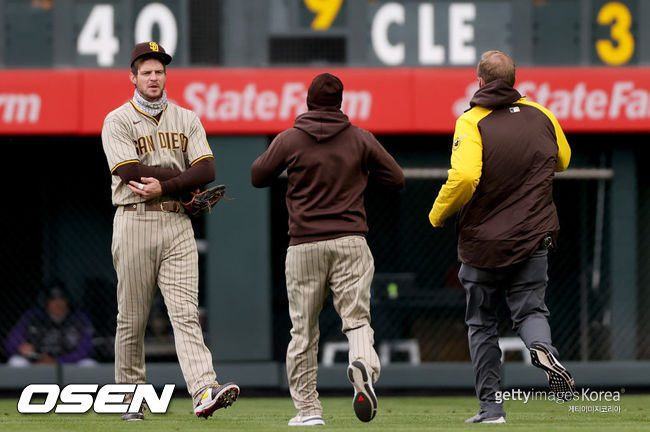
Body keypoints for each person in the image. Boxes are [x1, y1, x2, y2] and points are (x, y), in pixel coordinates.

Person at [428, 50, 575, 424]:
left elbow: (464, 178)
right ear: (514, 80)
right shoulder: (542, 115)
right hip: (533, 237)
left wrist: (438, 213)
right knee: (531, 311)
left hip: (483, 245)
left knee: (482, 323)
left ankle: (492, 410)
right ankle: (543, 349)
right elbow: (563, 159)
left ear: (479, 81)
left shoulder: (471, 121)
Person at [251, 73, 405, 426]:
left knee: (303, 330)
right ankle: (363, 364)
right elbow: (396, 177)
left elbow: (258, 176)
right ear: (340, 103)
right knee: (356, 320)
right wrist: (361, 173)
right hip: (350, 241)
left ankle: (308, 411)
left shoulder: (291, 139)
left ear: (308, 102)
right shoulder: (360, 139)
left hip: (304, 244)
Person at [100, 41, 238, 421]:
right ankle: (130, 398)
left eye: (159, 71)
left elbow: (207, 170)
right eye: (146, 71)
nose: (153, 77)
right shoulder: (117, 120)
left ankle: (203, 389)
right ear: (133, 77)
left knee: (186, 313)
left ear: (166, 75)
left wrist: (166, 184)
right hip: (135, 219)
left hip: (177, 221)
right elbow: (130, 173)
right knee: (132, 317)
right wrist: (180, 179)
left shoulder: (186, 118)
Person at [4, 284, 95, 367]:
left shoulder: (80, 318)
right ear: (46, 302)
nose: (58, 304)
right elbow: (10, 342)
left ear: (68, 301)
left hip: (68, 364)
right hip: (37, 363)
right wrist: (20, 347)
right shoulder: (33, 316)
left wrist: (57, 361)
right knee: (16, 362)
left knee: (89, 364)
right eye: (53, 300)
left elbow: (86, 349)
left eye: (62, 299)